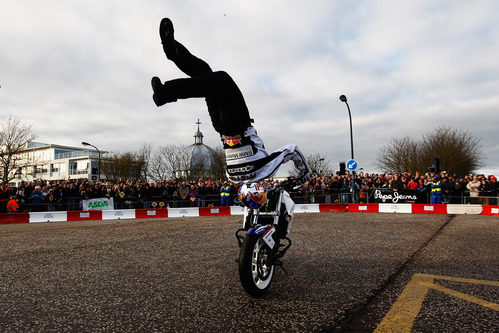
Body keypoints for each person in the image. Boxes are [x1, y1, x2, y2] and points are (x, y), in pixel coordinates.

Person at [151, 18, 309, 184]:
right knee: (207, 76)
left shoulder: (265, 168)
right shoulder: (254, 172)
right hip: (224, 136)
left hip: (237, 125)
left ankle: (165, 91)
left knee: (222, 79)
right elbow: (290, 152)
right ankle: (172, 50)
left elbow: (291, 150)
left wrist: (305, 173)